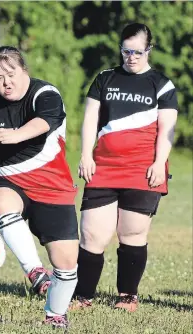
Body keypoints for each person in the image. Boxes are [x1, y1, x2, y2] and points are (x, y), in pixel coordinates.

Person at [71, 23, 178, 312]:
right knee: (92, 234)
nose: (131, 57)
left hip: (142, 169)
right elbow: (90, 119)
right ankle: (83, 297)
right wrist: (85, 155)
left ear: (149, 50)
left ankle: (127, 295)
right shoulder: (105, 78)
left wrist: (158, 162)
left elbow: (168, 127)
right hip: (103, 167)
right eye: (126, 51)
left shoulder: (161, 83)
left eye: (137, 52)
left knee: (132, 234)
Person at [0, 46, 79, 328]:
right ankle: (35, 272)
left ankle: (55, 315)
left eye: (11, 74)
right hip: (4, 177)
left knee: (67, 264)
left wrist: (16, 135)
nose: (6, 82)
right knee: (5, 205)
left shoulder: (46, 95)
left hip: (51, 184)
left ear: (25, 71)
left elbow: (44, 123)